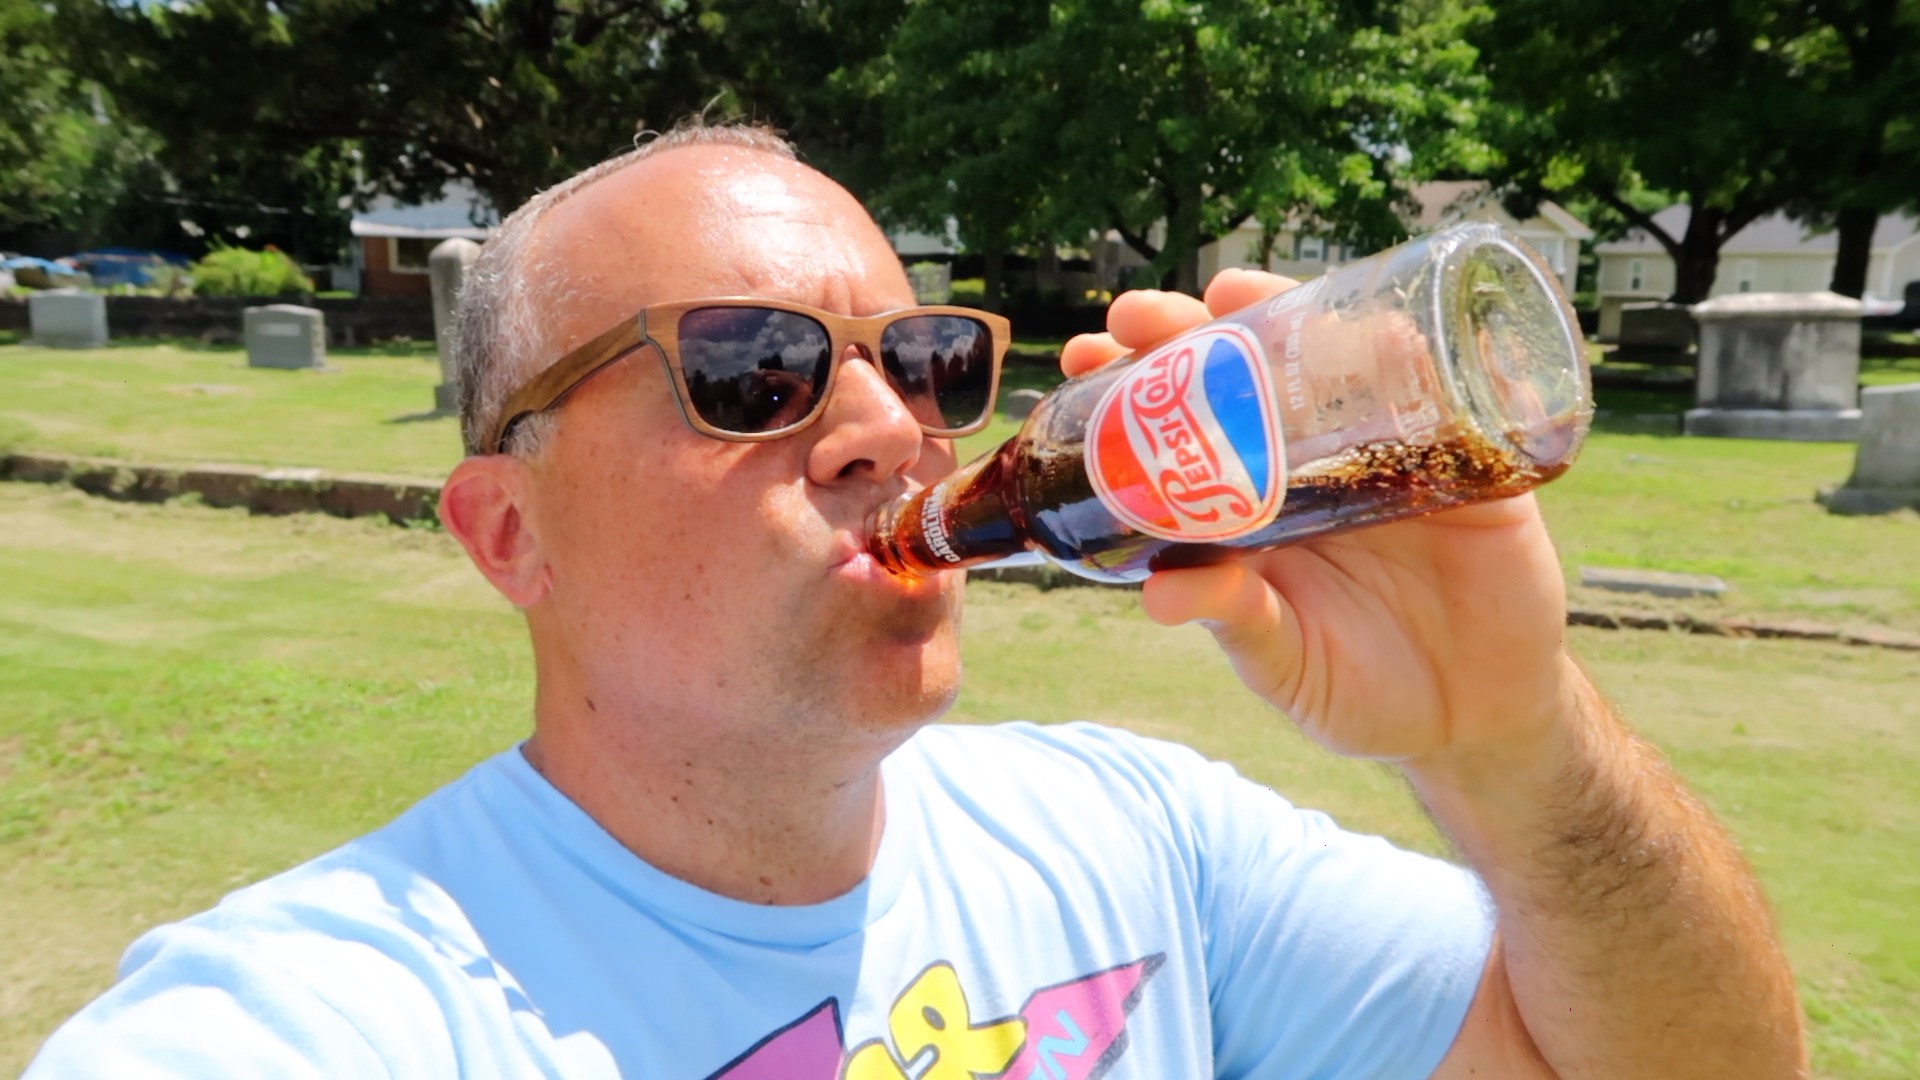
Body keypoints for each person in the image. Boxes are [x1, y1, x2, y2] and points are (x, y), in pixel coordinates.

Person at [26, 121, 1805, 1079]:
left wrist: (1517, 744)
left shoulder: (1140, 842)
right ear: (508, 537)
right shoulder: (351, 1008)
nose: (891, 424)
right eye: (750, 367)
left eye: (929, 358)